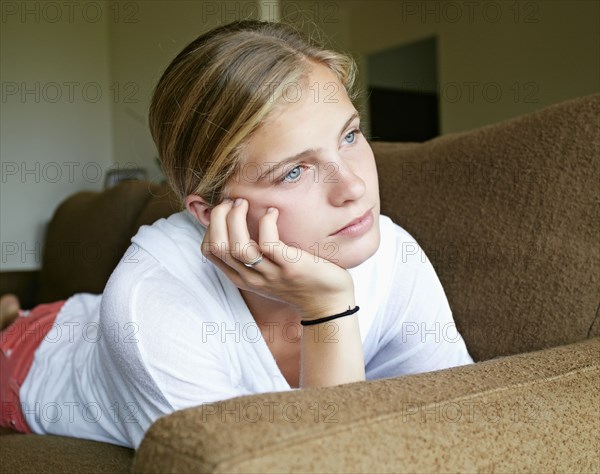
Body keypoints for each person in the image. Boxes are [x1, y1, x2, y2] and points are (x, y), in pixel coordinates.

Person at [0, 19, 473, 449]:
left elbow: (465, 419)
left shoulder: (392, 253)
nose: (353, 187)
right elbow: (319, 460)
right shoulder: (151, 302)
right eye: (294, 171)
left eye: (349, 136)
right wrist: (327, 309)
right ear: (210, 212)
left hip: (85, 315)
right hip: (39, 355)